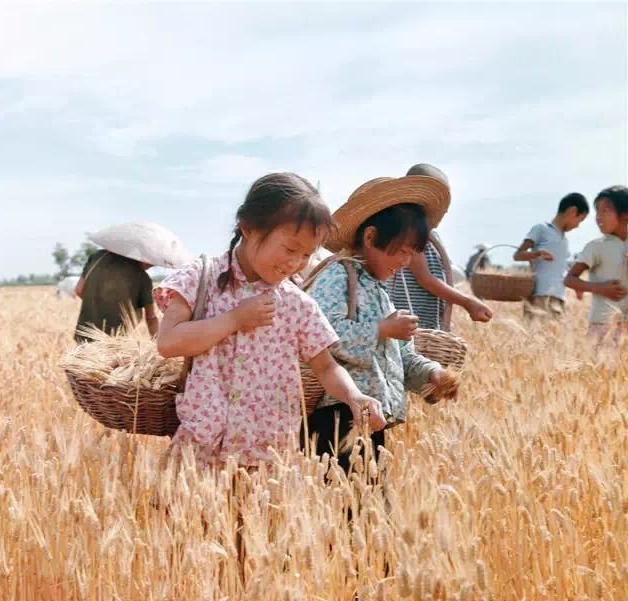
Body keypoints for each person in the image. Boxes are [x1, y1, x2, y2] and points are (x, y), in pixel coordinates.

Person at [153, 172, 385, 468]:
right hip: (200, 449)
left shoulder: (297, 304)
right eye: (290, 249)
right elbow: (168, 342)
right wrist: (235, 319)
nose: (295, 263)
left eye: (306, 255)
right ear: (248, 228)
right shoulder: (201, 278)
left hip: (267, 456)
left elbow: (326, 366)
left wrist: (354, 395)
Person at [302, 172, 459, 473]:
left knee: (368, 506)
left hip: (373, 418)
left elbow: (402, 357)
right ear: (371, 237)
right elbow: (320, 336)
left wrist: (433, 375)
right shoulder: (339, 277)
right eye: (401, 251)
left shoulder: (381, 293)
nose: (405, 262)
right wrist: (380, 330)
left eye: (412, 254)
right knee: (347, 505)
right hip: (338, 414)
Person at [389, 165, 493, 329]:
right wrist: (468, 302)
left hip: (424, 316)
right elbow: (426, 279)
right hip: (410, 319)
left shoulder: (431, 236)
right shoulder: (409, 230)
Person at [565, 185, 628, 343]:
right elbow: (569, 279)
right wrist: (600, 288)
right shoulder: (595, 246)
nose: (598, 217)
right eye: (597, 211)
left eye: (605, 210)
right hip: (601, 325)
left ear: (625, 215)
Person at [513, 192, 589, 318]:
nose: (577, 226)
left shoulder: (564, 239)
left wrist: (576, 286)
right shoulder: (541, 229)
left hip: (559, 297)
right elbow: (518, 255)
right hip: (539, 295)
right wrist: (537, 253)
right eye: (579, 220)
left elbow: (560, 269)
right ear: (572, 211)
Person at [74, 249, 158, 341]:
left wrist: (97, 306)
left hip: (84, 334)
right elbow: (151, 318)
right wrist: (157, 344)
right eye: (151, 264)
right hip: (115, 341)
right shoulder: (143, 278)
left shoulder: (99, 256)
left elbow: (79, 290)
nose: (149, 267)